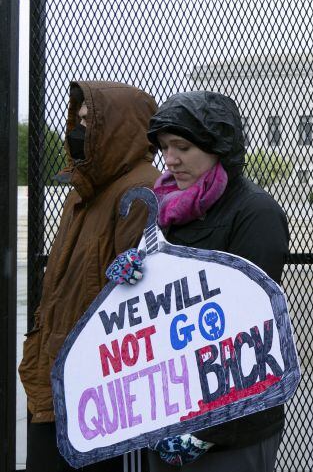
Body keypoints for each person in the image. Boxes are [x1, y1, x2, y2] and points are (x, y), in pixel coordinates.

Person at [141, 90, 289, 471]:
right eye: (164, 147)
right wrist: (132, 280)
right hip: (170, 411)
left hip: (234, 428)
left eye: (182, 147)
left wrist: (211, 429)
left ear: (218, 147)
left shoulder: (255, 212)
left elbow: (249, 330)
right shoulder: (167, 211)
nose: (170, 159)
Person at [19, 81, 160, 472]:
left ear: (116, 127)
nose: (78, 130)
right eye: (77, 120)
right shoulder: (85, 190)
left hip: (103, 389)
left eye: (88, 121)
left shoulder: (139, 192)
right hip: (60, 370)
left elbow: (135, 301)